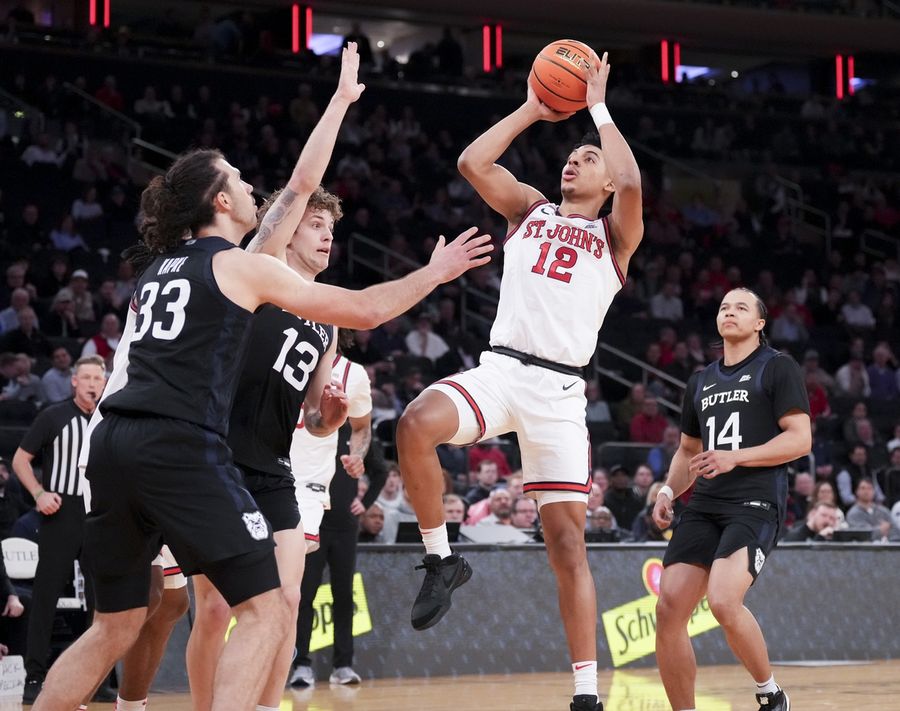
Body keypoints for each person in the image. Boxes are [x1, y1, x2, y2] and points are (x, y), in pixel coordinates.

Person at [31, 75, 490, 711]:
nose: (253, 188)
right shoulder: (242, 263)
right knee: (269, 611)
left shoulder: (161, 266)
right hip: (185, 445)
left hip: (114, 444)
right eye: (242, 181)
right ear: (220, 201)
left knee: (114, 624)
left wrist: (339, 102)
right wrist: (436, 273)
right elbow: (361, 304)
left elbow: (302, 189)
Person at [396, 49, 642, 711]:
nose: (575, 160)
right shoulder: (530, 210)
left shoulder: (617, 235)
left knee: (566, 542)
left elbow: (634, 182)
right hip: (501, 369)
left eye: (589, 158)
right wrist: (534, 107)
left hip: (561, 394)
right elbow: (473, 164)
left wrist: (597, 108)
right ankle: (442, 558)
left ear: (607, 181)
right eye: (572, 155)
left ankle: (586, 691)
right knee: (416, 422)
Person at [652, 287, 811, 711]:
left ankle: (770, 692)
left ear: (760, 323)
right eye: (724, 306)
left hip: (755, 502)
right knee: (669, 610)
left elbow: (800, 439)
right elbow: (689, 450)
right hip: (704, 505)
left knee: (723, 601)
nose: (730, 312)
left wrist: (735, 458)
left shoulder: (777, 367)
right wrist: (669, 490)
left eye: (741, 307)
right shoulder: (700, 380)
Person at [11, 356, 107, 703]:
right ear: (74, 382)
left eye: (98, 377)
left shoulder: (109, 418)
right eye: (87, 377)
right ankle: (34, 677)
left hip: (97, 512)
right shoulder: (53, 416)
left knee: (100, 600)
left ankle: (96, 679)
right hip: (62, 510)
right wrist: (38, 493)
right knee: (47, 595)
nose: (93, 383)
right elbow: (21, 459)